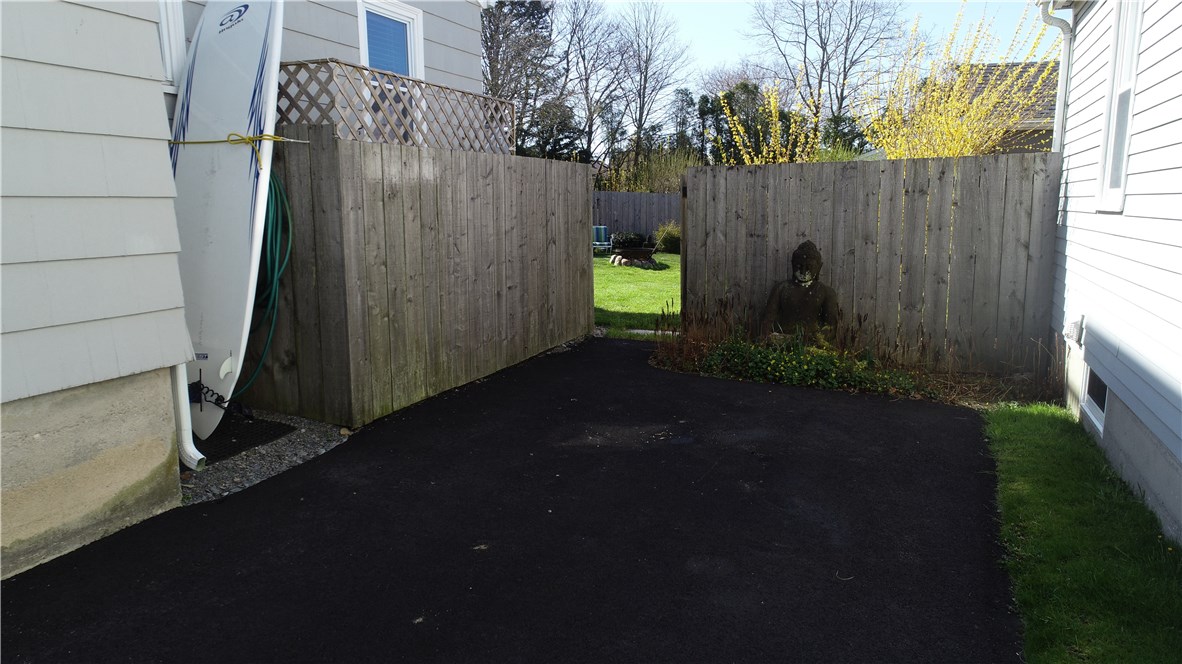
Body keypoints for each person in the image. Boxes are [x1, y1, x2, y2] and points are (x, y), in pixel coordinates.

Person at [761, 240, 840, 338]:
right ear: (793, 265)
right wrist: (768, 337)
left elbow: (831, 327)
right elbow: (767, 321)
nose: (803, 271)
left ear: (819, 267)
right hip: (783, 341)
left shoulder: (826, 292)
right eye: (799, 266)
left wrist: (814, 338)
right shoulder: (781, 288)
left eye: (809, 267)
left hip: (812, 343)